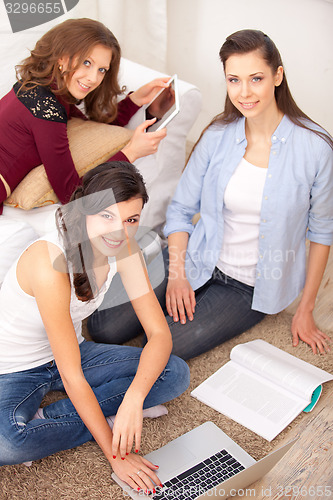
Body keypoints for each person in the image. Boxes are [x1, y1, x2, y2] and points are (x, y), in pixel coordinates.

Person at [87, 29, 333, 359]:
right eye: (234, 80)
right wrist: (176, 274)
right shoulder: (217, 135)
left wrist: (306, 308)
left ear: (277, 76)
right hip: (194, 256)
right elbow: (181, 210)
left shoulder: (316, 148)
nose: (244, 92)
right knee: (104, 328)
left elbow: (321, 231)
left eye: (256, 78)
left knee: (159, 349)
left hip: (248, 287)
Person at [0, 161, 190, 493]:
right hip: (15, 368)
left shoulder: (125, 248)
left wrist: (134, 398)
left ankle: (57, 419)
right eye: (107, 216)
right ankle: (100, 419)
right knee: (9, 444)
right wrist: (115, 454)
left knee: (174, 373)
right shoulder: (50, 260)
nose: (119, 232)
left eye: (131, 220)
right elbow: (72, 376)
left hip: (72, 350)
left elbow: (159, 334)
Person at [0, 18, 168, 214]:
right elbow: (72, 195)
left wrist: (135, 100)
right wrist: (131, 153)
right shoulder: (46, 110)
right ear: (61, 57)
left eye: (101, 70)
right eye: (86, 62)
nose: (93, 78)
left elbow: (89, 128)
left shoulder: (43, 89)